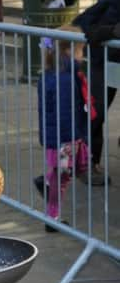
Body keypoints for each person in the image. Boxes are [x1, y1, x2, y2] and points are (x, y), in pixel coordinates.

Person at [34, 28, 92, 232]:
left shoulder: (51, 74)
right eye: (80, 51)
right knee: (62, 178)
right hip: (65, 138)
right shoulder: (65, 79)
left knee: (62, 176)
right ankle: (52, 216)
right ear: (69, 51)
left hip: (55, 137)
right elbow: (65, 112)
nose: (82, 56)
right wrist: (74, 138)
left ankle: (52, 211)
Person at [74, 0, 120, 186]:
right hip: (104, 56)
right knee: (95, 110)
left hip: (109, 55)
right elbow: (95, 27)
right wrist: (111, 31)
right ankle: (87, 163)